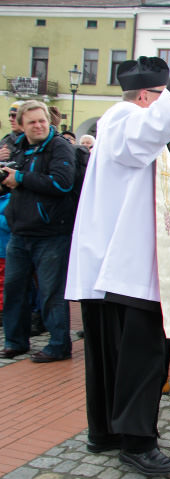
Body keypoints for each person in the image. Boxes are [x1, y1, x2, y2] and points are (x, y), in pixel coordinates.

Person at [65, 26, 170, 476]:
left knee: (109, 357)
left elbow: (148, 196)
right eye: (161, 95)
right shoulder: (122, 121)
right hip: (127, 268)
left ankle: (106, 432)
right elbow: (167, 119)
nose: (169, 106)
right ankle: (138, 443)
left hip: (115, 265)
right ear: (145, 97)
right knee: (143, 359)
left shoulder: (129, 133)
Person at [0, 100, 76, 363]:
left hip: (51, 233)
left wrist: (20, 179)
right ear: (22, 125)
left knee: (51, 292)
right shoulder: (19, 147)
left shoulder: (60, 147)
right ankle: (16, 341)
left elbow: (62, 183)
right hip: (20, 231)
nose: (39, 125)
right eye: (32, 122)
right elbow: (11, 181)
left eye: (42, 120)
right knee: (14, 289)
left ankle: (59, 344)